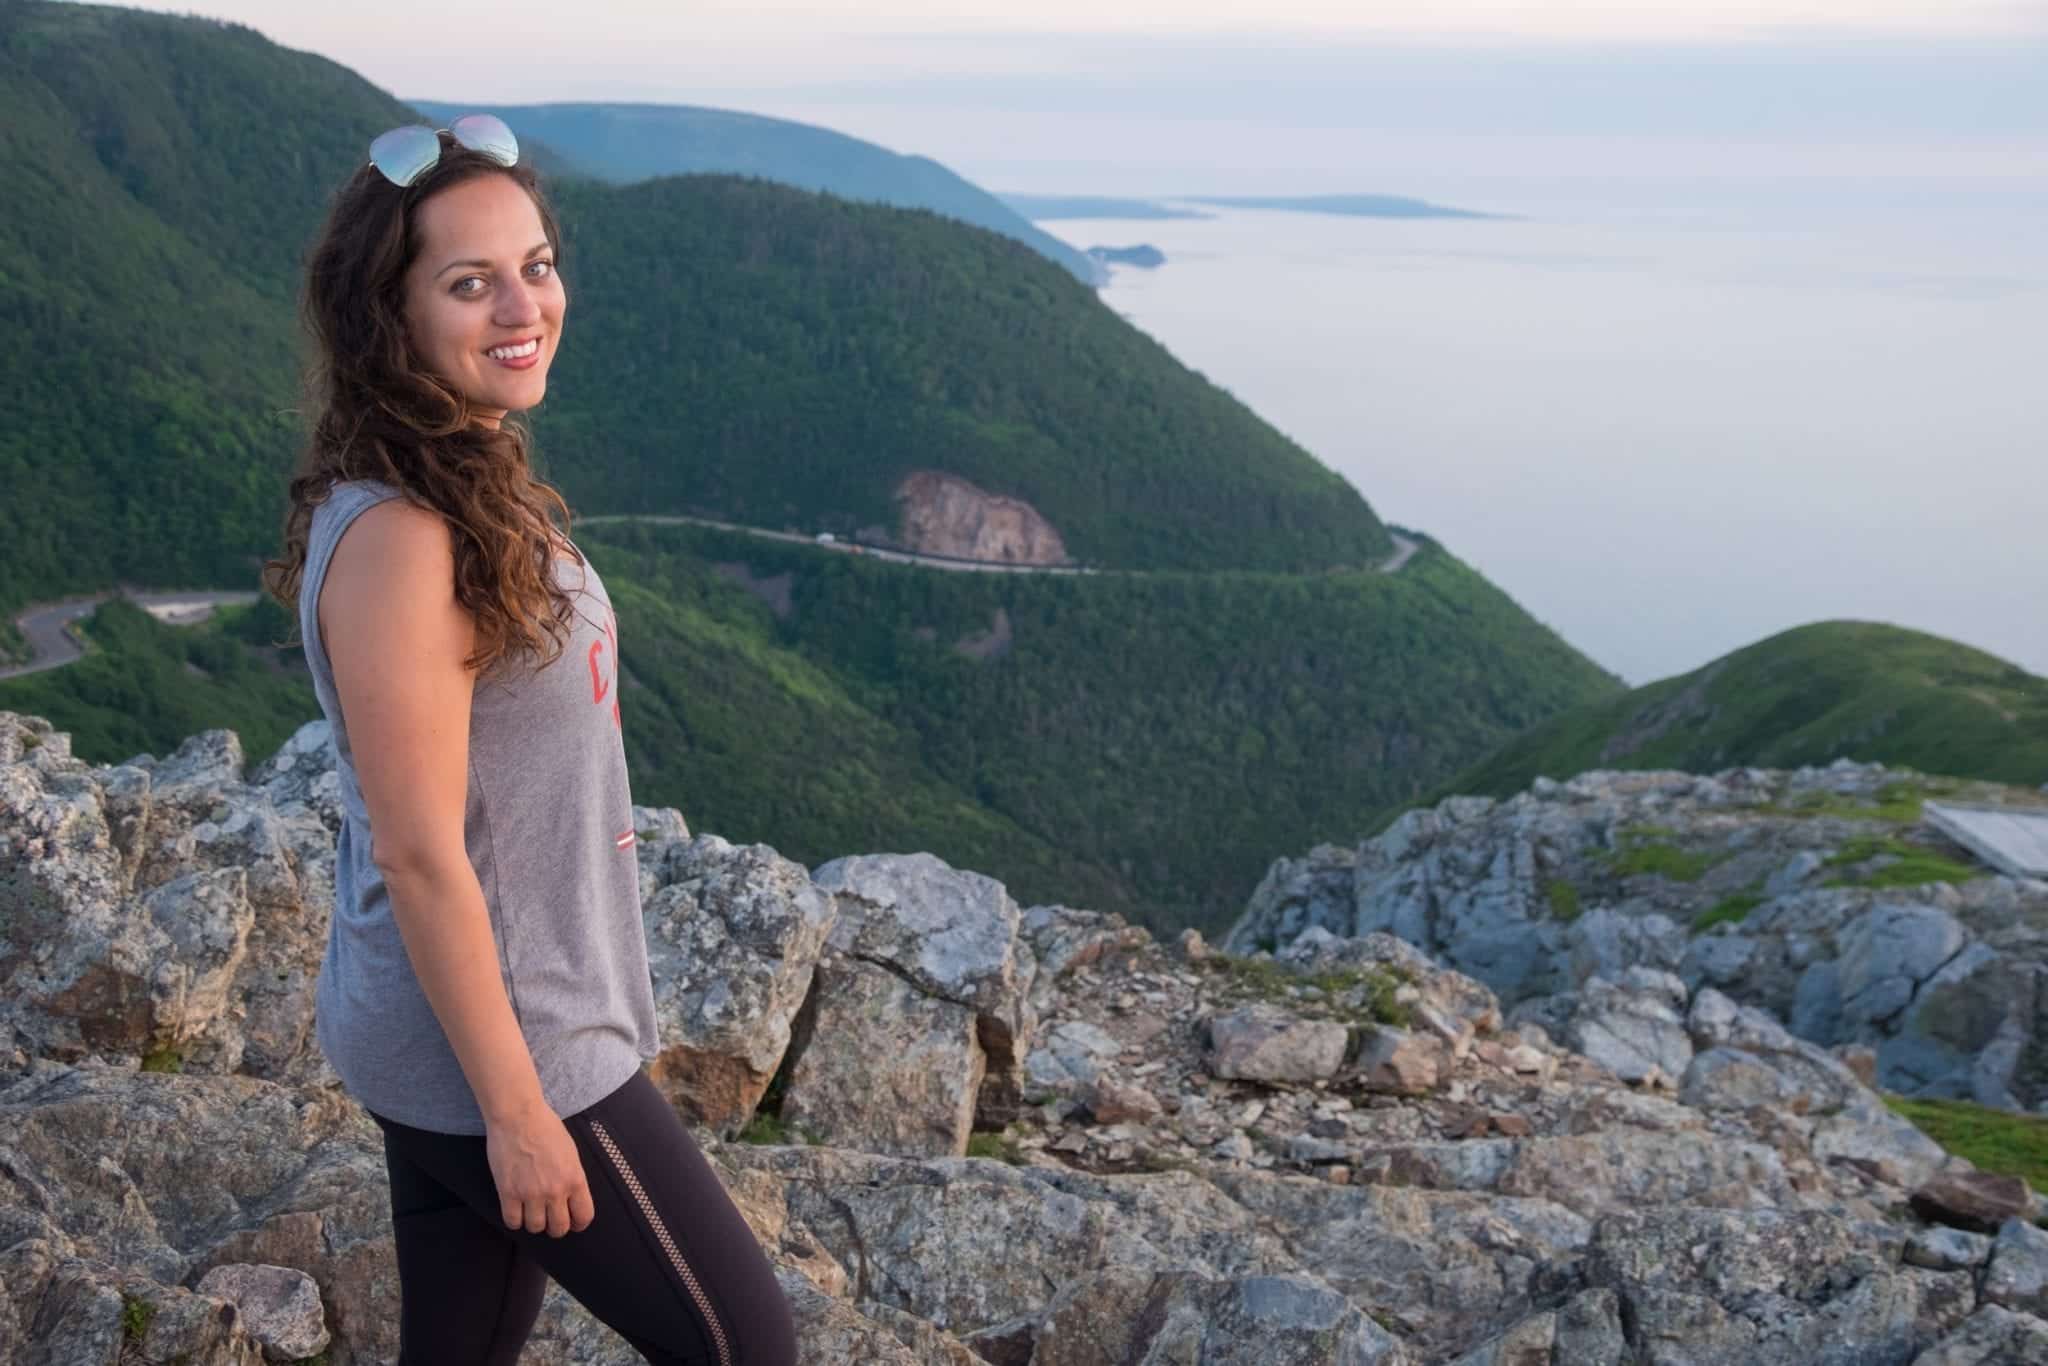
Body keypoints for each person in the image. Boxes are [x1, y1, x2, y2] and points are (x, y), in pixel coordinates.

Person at [259, 114, 798, 1366]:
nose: (523, 303)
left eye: (537, 264)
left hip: (489, 1019)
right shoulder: (403, 538)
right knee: (743, 1343)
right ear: (386, 317)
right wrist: (517, 1110)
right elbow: (420, 848)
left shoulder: (463, 479)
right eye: (469, 281)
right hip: (509, 1042)